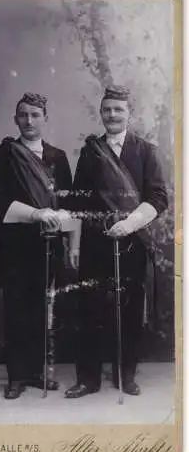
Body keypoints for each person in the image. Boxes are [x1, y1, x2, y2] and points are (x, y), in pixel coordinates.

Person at [66, 85, 168, 398]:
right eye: (107, 109)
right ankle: (88, 378)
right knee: (90, 308)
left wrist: (130, 224)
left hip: (132, 240)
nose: (112, 115)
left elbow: (158, 196)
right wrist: (75, 244)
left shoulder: (145, 150)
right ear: (101, 113)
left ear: (129, 114)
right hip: (97, 241)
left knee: (130, 308)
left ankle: (126, 374)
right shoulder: (90, 151)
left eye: (118, 110)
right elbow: (78, 200)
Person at [0, 92, 75, 399]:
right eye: (23, 115)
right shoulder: (5, 154)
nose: (29, 121)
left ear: (45, 119)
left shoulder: (58, 157)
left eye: (35, 115)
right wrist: (35, 214)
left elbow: (69, 201)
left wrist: (60, 223)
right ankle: (16, 376)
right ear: (15, 119)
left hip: (48, 244)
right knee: (16, 309)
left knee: (43, 309)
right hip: (15, 244)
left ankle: (39, 372)